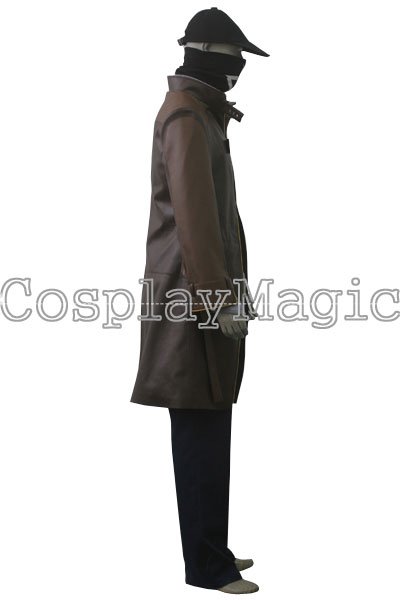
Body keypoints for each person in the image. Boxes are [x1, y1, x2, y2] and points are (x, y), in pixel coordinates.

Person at [130, 7, 269, 594]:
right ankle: (206, 566)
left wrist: (231, 291)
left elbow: (213, 223)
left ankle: (213, 547)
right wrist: (219, 301)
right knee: (199, 433)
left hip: (201, 299)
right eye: (234, 57)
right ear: (206, 55)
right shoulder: (187, 116)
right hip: (189, 307)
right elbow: (194, 221)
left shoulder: (201, 113)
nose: (239, 68)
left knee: (211, 428)